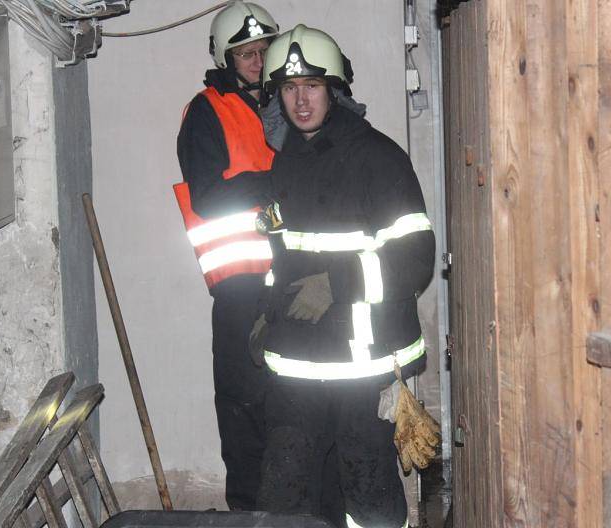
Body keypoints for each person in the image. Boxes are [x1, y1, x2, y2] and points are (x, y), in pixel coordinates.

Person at [251, 25, 436, 528]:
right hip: (296, 364)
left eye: (312, 86)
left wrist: (337, 284)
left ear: (334, 89)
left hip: (363, 365)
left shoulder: (379, 159)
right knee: (286, 490)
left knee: (368, 489)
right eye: (289, 88)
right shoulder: (284, 164)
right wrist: (267, 313)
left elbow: (415, 258)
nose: (301, 100)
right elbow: (284, 256)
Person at [173, 0, 279, 511]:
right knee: (244, 414)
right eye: (246, 54)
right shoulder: (206, 111)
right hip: (240, 291)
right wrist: (276, 182)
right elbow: (209, 196)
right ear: (226, 59)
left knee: (294, 414)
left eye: (263, 51)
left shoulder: (286, 102)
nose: (257, 63)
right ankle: (248, 515)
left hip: (297, 284)